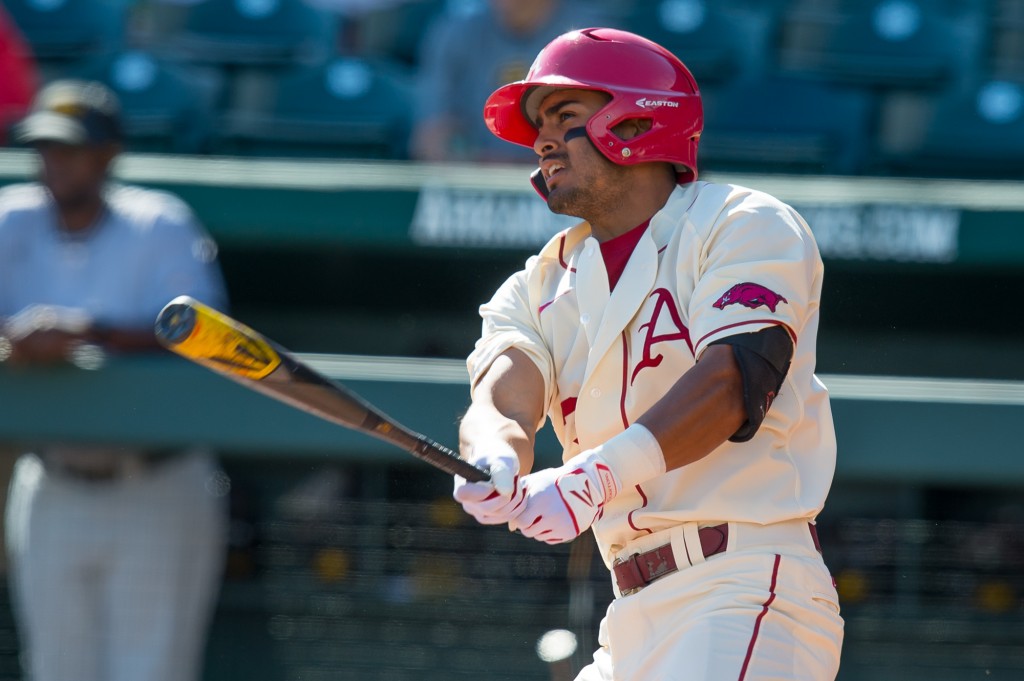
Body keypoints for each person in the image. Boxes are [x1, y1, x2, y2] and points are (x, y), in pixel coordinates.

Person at [453, 28, 844, 680]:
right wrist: (494, 451)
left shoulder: (741, 223)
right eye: (538, 126)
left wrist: (592, 479)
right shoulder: (538, 283)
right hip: (629, 613)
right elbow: (504, 393)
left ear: (638, 120)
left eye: (565, 117)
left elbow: (730, 385)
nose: (542, 141)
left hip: (744, 587)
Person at [0, 80, 228, 681]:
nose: (55, 163)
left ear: (108, 155)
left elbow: (204, 332)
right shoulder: (11, 217)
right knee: (54, 670)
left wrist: (85, 331)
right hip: (51, 478)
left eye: (71, 149)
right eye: (46, 149)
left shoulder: (159, 223)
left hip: (155, 480)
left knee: (151, 671)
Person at [411, 0, 610, 163]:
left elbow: (603, 142)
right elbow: (429, 137)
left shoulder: (594, 38)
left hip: (566, 187)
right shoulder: (454, 33)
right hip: (473, 186)